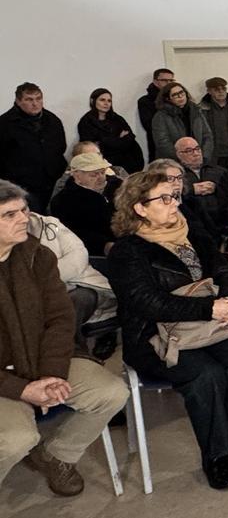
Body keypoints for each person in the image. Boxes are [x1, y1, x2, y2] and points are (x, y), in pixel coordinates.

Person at [107, 171, 228, 489]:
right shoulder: (127, 251)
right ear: (139, 207)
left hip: (208, 324)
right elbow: (148, 303)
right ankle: (217, 455)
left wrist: (227, 299)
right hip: (155, 335)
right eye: (164, 198)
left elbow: (222, 267)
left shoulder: (190, 231)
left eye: (175, 196)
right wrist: (210, 308)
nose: (175, 204)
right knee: (206, 374)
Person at [0, 179, 128, 497]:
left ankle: (57, 455)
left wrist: (51, 373)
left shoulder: (37, 255)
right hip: (4, 379)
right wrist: (22, 389)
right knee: (17, 439)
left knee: (111, 392)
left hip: (43, 360)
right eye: (9, 214)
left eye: (24, 210)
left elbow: (60, 319)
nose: (24, 219)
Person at [27, 212, 120, 359]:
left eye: (23, 208)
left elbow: (79, 255)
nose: (22, 216)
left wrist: (47, 275)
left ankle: (75, 350)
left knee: (80, 298)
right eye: (11, 213)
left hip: (83, 285)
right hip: (39, 298)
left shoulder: (49, 224)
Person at [0, 83, 67, 214]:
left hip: (52, 183)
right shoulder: (4, 124)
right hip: (21, 187)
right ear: (18, 101)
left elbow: (60, 147)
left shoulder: (52, 120)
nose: (35, 104)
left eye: (38, 98)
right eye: (29, 99)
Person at [49, 153, 120, 256]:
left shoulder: (118, 188)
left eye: (102, 172)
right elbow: (70, 233)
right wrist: (103, 245)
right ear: (77, 176)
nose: (101, 178)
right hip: (93, 253)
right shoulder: (63, 201)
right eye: (94, 175)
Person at [77, 87, 144, 174]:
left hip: (128, 162)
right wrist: (119, 139)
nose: (106, 103)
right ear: (93, 101)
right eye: (102, 100)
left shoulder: (117, 118)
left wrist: (107, 141)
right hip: (102, 165)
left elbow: (130, 137)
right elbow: (92, 146)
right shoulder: (86, 122)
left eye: (109, 101)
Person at [176, 136, 228, 232]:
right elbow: (172, 197)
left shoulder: (219, 172)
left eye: (197, 149)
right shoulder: (176, 176)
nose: (196, 154)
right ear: (179, 154)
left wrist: (217, 188)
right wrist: (190, 190)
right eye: (189, 151)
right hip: (191, 227)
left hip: (221, 224)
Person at [152, 82, 215, 162]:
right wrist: (183, 158)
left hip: (199, 159)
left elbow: (207, 135)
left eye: (181, 92)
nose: (180, 96)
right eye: (175, 95)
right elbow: (163, 143)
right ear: (168, 99)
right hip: (174, 161)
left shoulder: (196, 111)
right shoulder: (161, 116)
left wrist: (204, 156)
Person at [138, 68, 174, 160]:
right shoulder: (145, 101)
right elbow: (149, 125)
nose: (169, 83)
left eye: (171, 80)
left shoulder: (176, 99)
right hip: (158, 146)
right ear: (155, 82)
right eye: (164, 80)